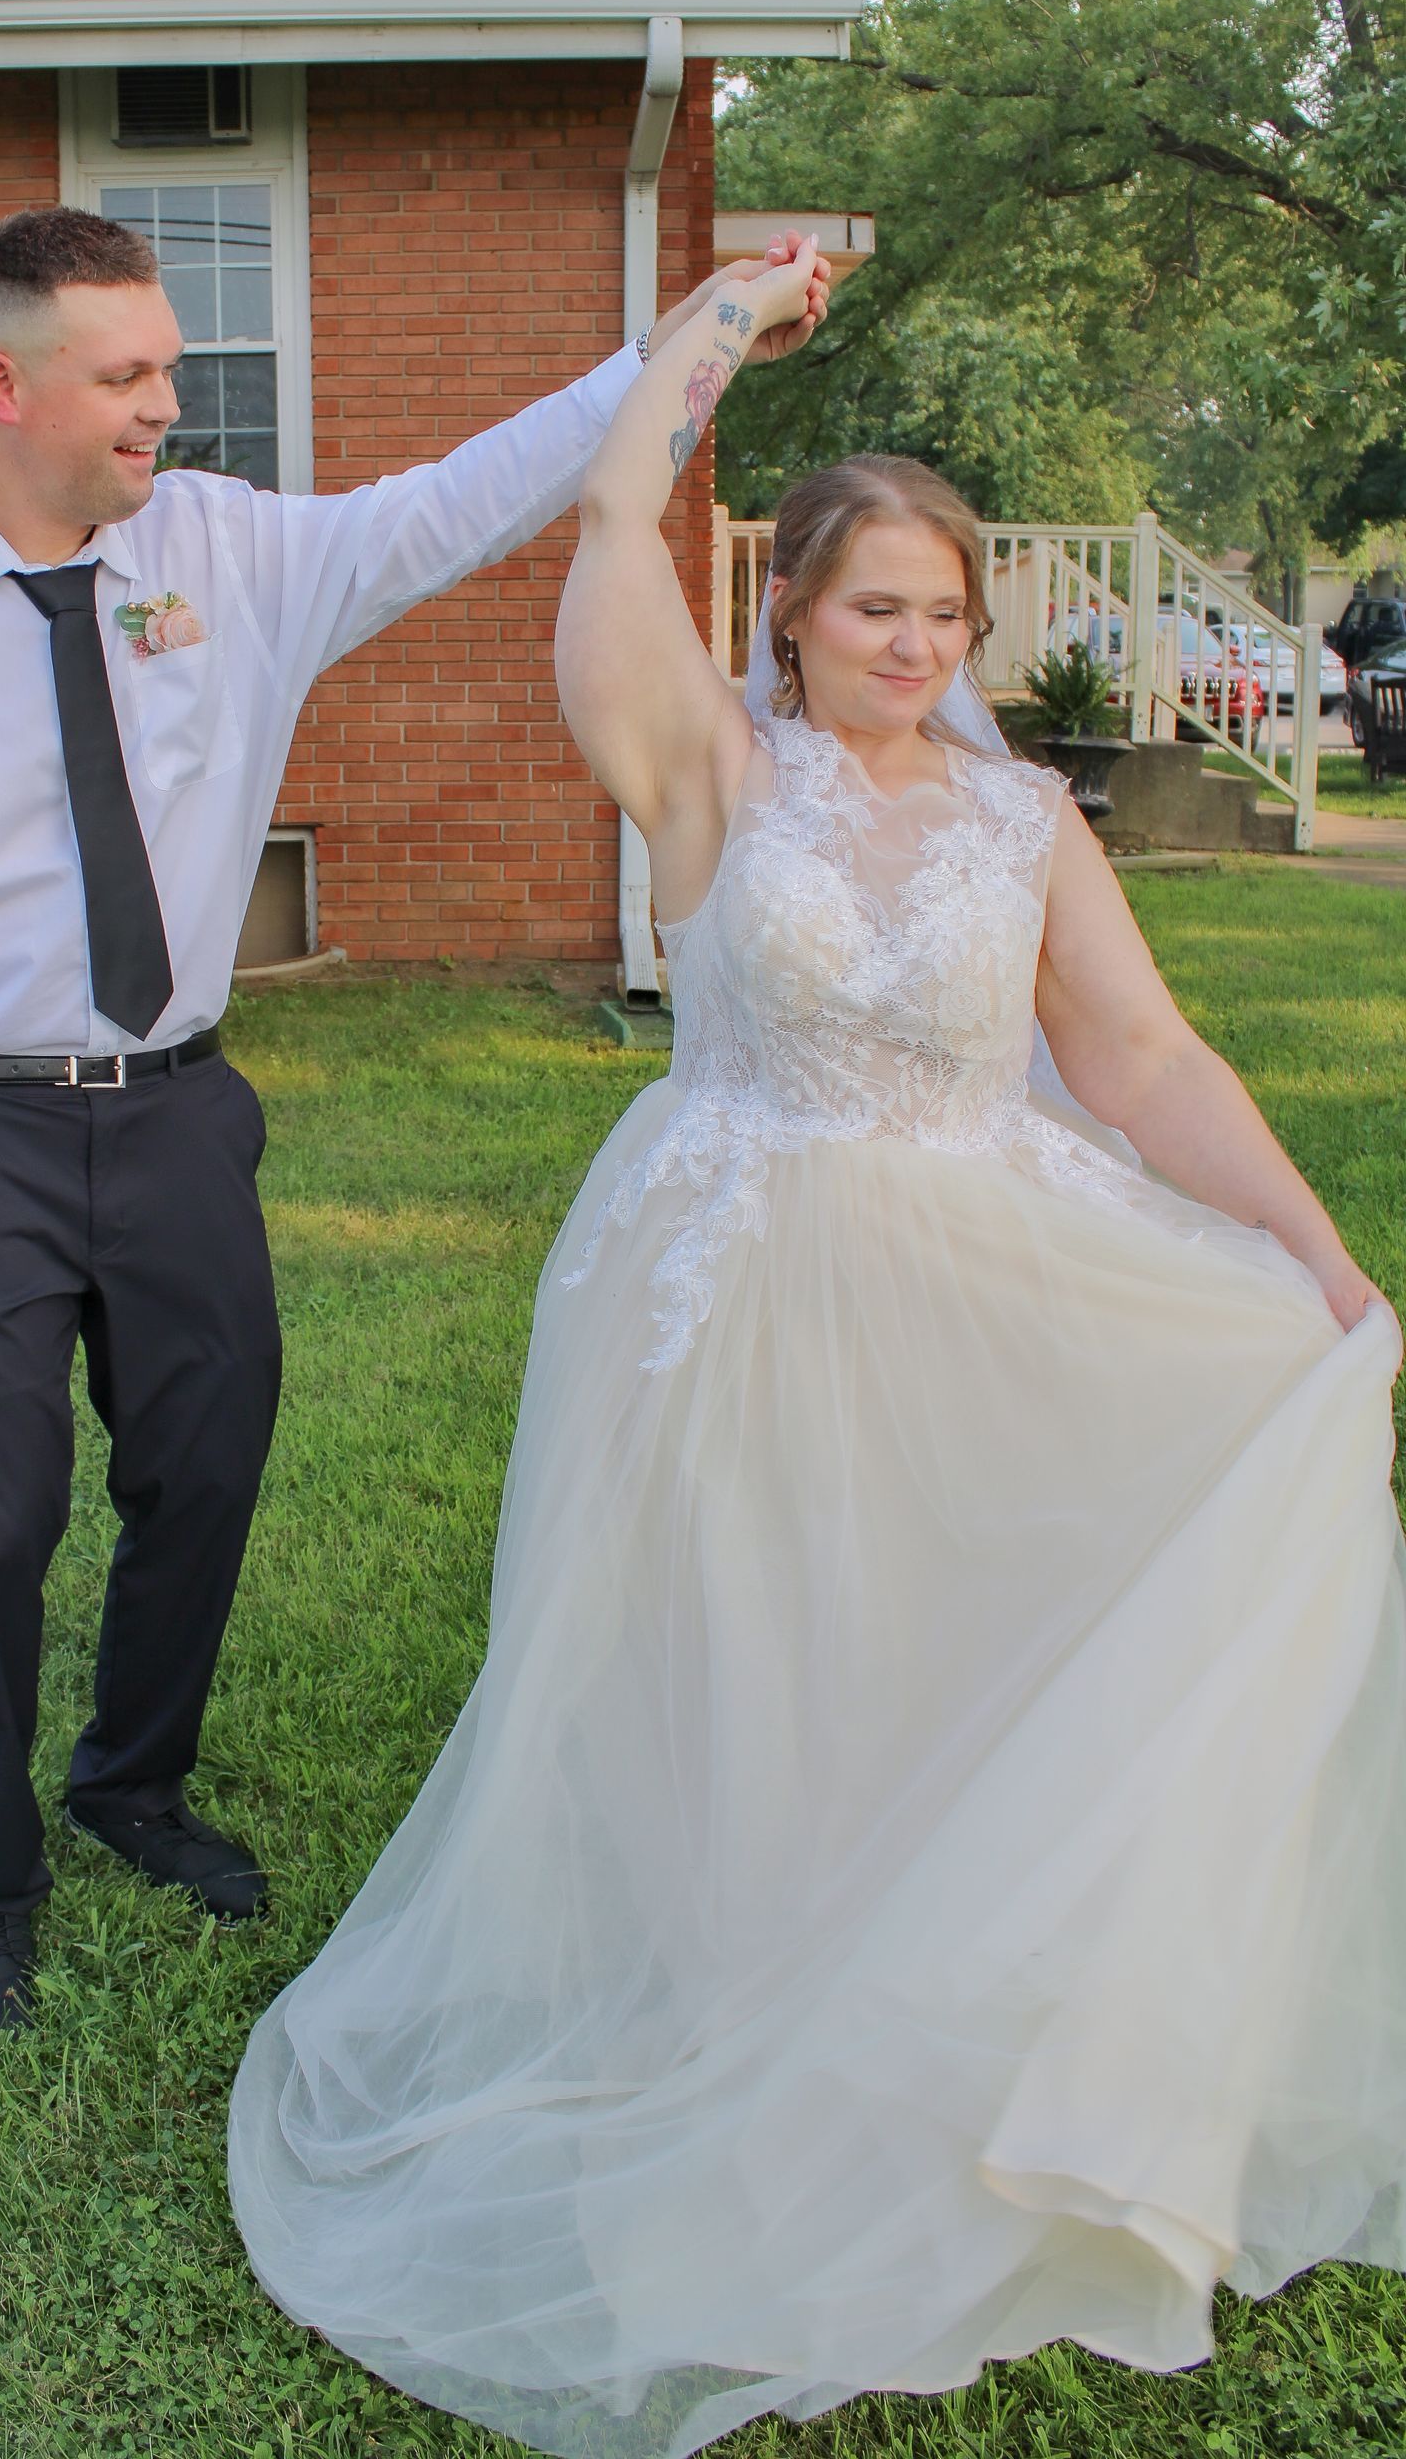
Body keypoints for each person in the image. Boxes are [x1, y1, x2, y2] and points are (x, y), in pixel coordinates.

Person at [228, 256, 1406, 2453]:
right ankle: (742, 2019)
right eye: (879, 609)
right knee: (752, 1648)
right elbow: (600, 533)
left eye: (948, 617)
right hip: (741, 1265)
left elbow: (1143, 1063)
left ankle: (949, 2027)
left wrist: (1323, 1267)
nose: (919, 647)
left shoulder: (1027, 822)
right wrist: (711, 328)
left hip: (988, 1267)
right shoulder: (706, 772)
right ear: (791, 617)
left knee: (943, 1641)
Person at [0, 204, 831, 2039]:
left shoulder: (234, 552)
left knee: (203, 1470)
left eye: (171, 369)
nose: (164, 406)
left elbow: (470, 493)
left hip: (181, 1115)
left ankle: (132, 1782)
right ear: (3, 383)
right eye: (125, 376)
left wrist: (692, 337)